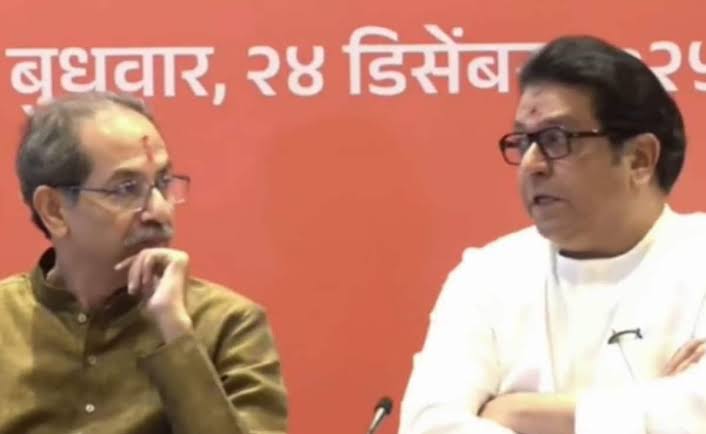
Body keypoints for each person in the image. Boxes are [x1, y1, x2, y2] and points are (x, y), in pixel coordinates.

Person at [399, 35, 706, 434]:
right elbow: (430, 425)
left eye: (555, 139)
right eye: (524, 141)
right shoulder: (486, 276)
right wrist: (650, 410)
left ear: (639, 159)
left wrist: (517, 414)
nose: (531, 164)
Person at [0, 92, 287, 434]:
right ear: (54, 209)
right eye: (126, 188)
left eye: (163, 183)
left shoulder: (228, 324)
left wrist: (176, 335)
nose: (160, 211)